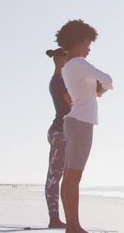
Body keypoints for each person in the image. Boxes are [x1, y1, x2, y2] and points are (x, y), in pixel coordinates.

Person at [57, 20, 113, 233]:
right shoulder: (79, 63)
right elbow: (107, 79)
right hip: (81, 123)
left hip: (73, 121)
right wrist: (104, 86)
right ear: (76, 42)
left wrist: (99, 89)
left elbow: (93, 90)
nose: (88, 48)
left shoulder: (68, 66)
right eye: (87, 43)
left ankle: (72, 225)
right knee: (74, 175)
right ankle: (74, 227)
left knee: (69, 175)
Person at [44, 48, 72, 228]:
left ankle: (57, 217)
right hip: (59, 132)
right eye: (68, 58)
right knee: (55, 176)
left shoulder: (60, 81)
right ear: (61, 60)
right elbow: (72, 103)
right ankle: (54, 218)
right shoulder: (59, 82)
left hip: (62, 131)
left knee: (60, 175)